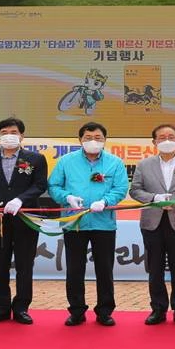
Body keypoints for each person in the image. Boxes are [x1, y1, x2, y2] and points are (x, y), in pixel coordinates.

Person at [49, 121, 130, 326]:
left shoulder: (114, 162)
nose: (93, 141)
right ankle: (76, 310)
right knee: (75, 269)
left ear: (104, 140)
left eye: (97, 138)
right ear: (80, 140)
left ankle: (105, 311)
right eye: (88, 138)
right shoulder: (66, 161)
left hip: (104, 224)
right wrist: (67, 197)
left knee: (105, 269)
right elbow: (53, 186)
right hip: (74, 223)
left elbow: (120, 188)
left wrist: (105, 201)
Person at [0, 117, 48, 325]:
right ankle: (2, 307)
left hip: (26, 218)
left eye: (13, 132)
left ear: (22, 135)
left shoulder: (35, 159)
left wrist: (20, 200)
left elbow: (40, 184)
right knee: (0, 264)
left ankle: (22, 308)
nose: (9, 135)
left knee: (25, 265)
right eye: (5, 132)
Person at [128, 123, 175, 327]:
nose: (166, 140)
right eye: (161, 137)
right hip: (153, 222)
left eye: (171, 136)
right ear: (154, 142)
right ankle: (158, 309)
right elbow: (135, 191)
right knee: (155, 268)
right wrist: (154, 197)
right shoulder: (144, 165)